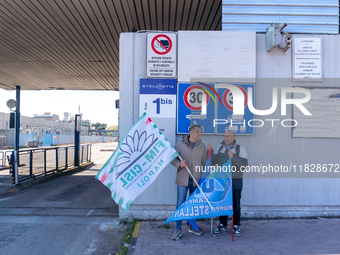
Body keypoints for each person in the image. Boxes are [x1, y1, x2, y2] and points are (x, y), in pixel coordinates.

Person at [207, 130, 248, 237]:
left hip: (235, 181)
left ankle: (236, 225)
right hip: (222, 181)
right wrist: (210, 152)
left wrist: (233, 157)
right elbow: (214, 162)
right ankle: (222, 224)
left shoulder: (240, 149)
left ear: (234, 137)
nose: (227, 138)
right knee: (222, 203)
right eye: (225, 136)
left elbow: (244, 165)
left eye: (229, 136)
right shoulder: (220, 148)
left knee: (235, 204)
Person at [171, 124, 207, 241]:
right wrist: (179, 164)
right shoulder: (180, 144)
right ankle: (178, 229)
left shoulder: (202, 146)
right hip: (183, 179)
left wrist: (201, 177)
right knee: (180, 204)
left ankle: (192, 226)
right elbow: (172, 158)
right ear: (191, 132)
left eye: (200, 132)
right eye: (197, 132)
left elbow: (204, 163)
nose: (199, 134)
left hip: (195, 180)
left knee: (193, 204)